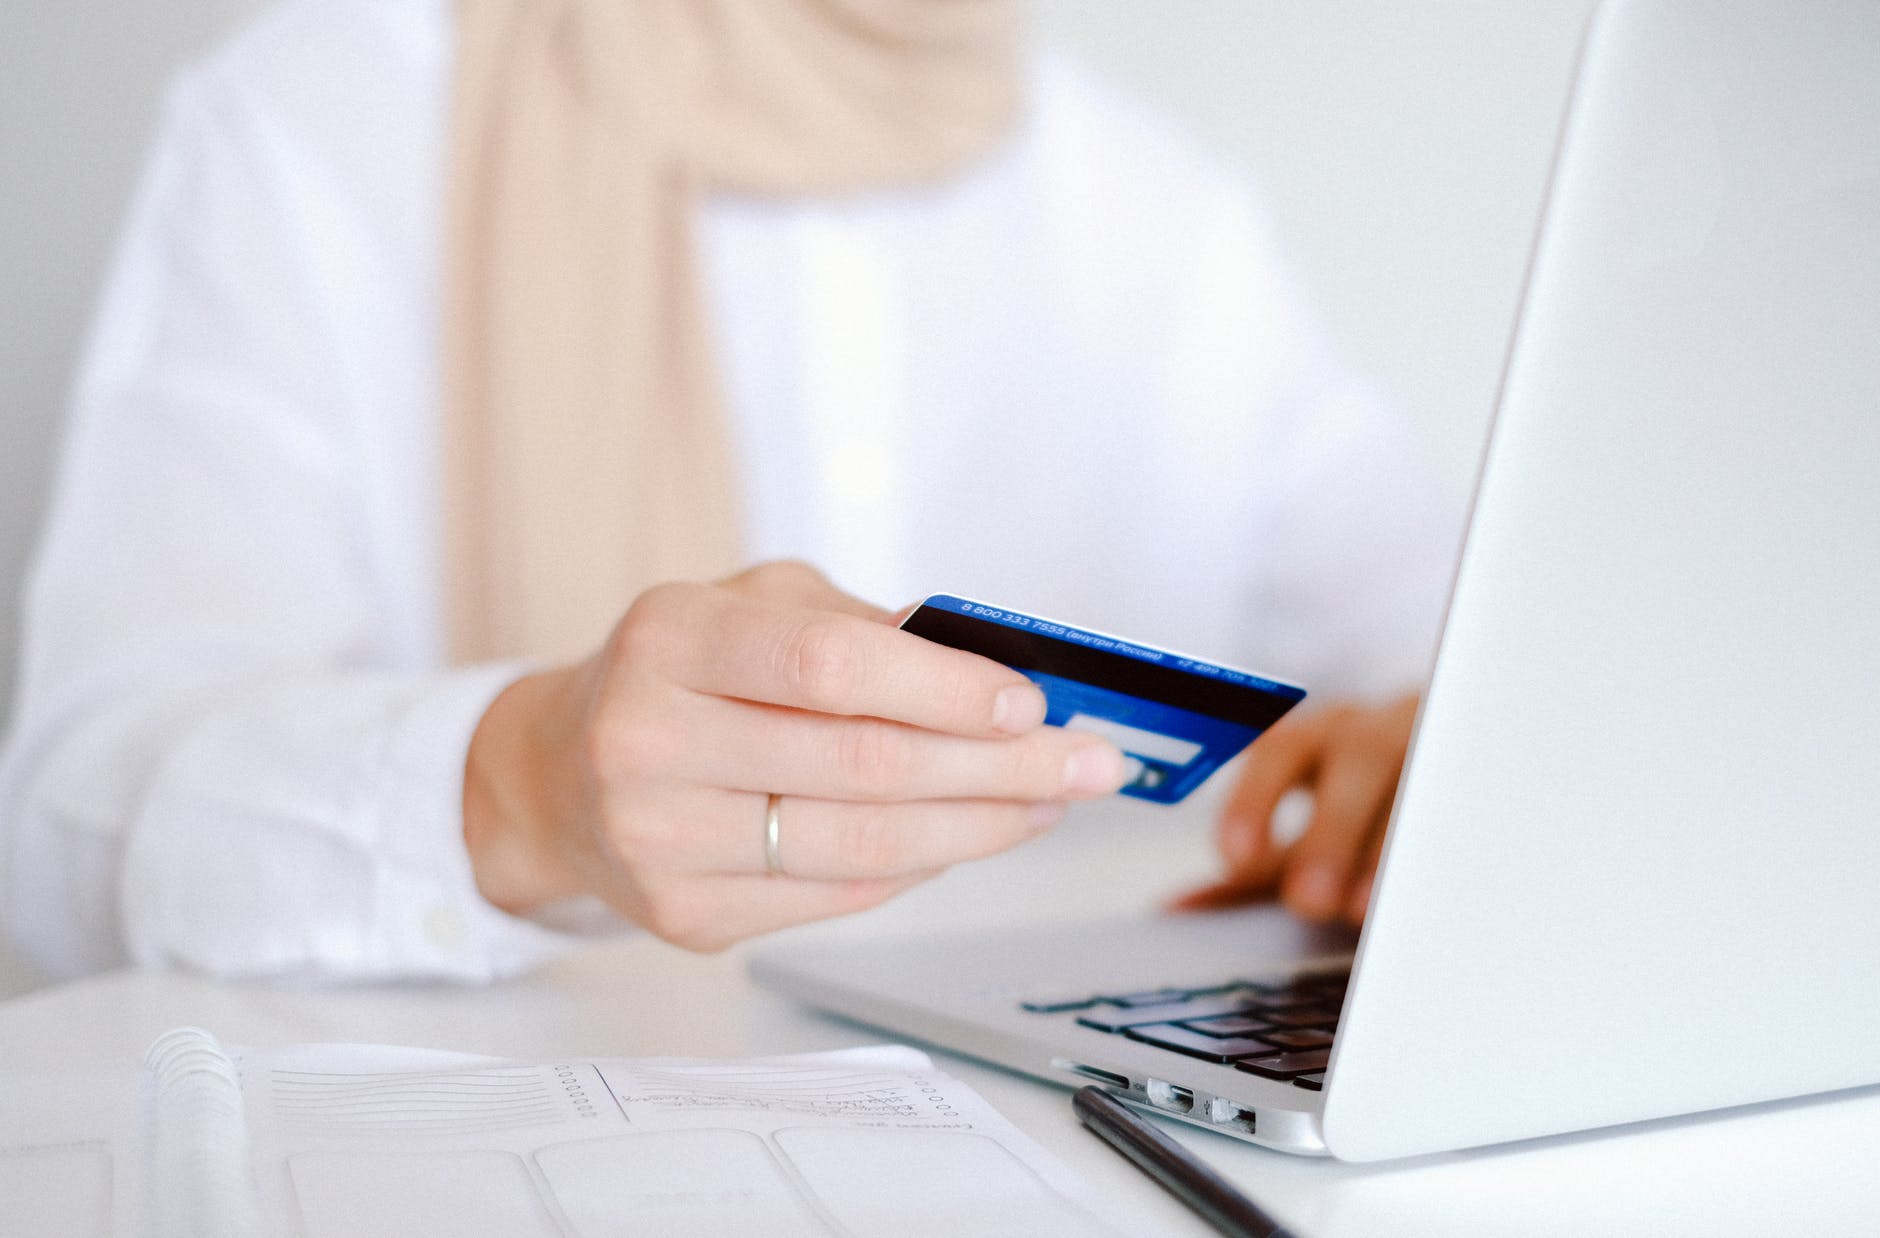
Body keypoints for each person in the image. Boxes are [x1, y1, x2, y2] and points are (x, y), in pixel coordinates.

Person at [0, 0, 1456, 982]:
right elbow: (65, 829)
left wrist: (1438, 747)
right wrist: (517, 783)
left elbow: (1457, 625)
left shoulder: (1161, 212)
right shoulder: (322, 116)